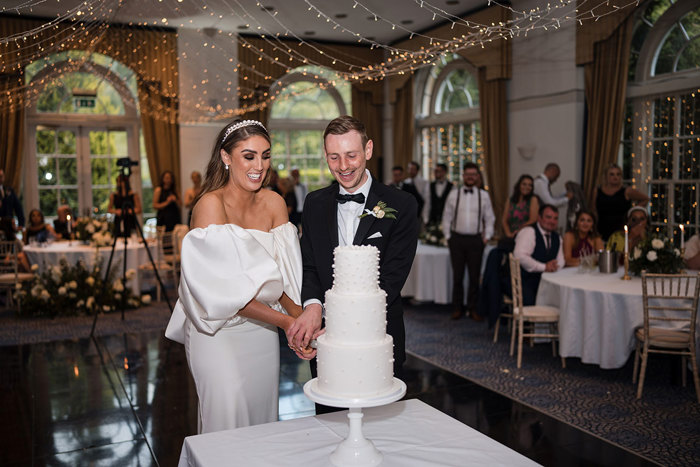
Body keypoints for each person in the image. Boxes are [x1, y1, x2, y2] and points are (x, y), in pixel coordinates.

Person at [164, 119, 308, 434]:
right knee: (226, 421)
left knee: (261, 421)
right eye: (249, 156)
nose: (260, 165)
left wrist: (303, 326)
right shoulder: (210, 206)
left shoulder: (274, 203)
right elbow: (225, 292)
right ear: (226, 157)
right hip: (217, 332)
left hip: (262, 331)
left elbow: (280, 279)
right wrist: (287, 323)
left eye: (265, 155)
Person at [288, 115, 419, 410]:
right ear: (325, 155)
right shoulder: (314, 203)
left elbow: (392, 279)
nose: (343, 166)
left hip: (378, 335)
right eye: (334, 157)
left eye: (351, 155)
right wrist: (312, 307)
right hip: (326, 343)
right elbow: (309, 265)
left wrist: (338, 324)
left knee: (380, 428)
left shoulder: (402, 205)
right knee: (329, 423)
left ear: (368, 150)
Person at [442, 162, 496, 321]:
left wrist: (487, 237)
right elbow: (447, 217)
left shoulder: (483, 195)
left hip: (475, 240)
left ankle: (473, 308)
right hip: (457, 239)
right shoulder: (454, 194)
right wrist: (448, 236)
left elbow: (490, 218)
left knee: (474, 276)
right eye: (468, 174)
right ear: (463, 176)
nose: (471, 177)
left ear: (477, 177)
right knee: (457, 276)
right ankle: (457, 308)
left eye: (474, 174)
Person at [513, 204, 565, 306]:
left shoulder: (557, 237)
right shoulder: (529, 232)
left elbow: (561, 260)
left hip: (545, 281)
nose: (552, 221)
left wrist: (554, 267)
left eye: (555, 218)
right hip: (523, 280)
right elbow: (519, 256)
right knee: (533, 299)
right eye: (548, 217)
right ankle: (531, 322)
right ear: (539, 218)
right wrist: (544, 267)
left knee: (563, 297)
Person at [595, 163, 649, 241]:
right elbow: (593, 210)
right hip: (601, 228)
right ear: (606, 176)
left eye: (618, 174)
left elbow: (645, 199)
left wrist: (633, 211)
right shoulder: (597, 191)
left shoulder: (626, 191)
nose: (615, 177)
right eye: (612, 174)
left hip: (621, 229)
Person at [502, 174, 539, 240]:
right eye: (524, 184)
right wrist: (509, 234)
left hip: (525, 235)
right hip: (509, 235)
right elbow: (504, 220)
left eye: (530, 185)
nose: (527, 187)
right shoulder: (510, 200)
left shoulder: (533, 199)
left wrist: (518, 231)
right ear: (519, 185)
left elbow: (533, 220)